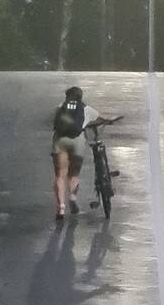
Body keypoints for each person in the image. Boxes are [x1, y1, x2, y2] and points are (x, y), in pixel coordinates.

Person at [51, 85, 122, 221]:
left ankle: (61, 207)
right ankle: (72, 198)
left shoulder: (60, 107)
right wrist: (107, 121)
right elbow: (100, 119)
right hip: (77, 141)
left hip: (60, 140)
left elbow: (56, 122)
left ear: (67, 96)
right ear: (81, 97)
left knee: (60, 175)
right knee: (74, 174)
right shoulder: (85, 108)